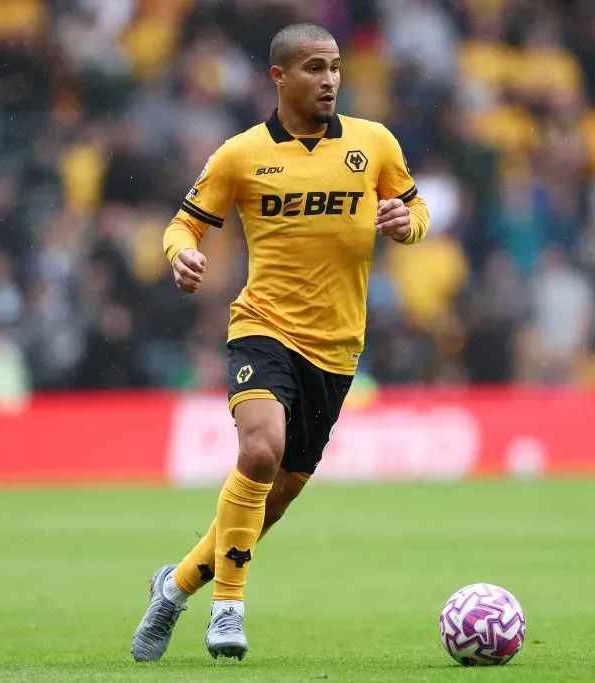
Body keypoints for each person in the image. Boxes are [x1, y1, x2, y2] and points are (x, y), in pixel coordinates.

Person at [131, 23, 429, 663]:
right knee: (260, 452)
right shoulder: (240, 155)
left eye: (336, 68)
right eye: (315, 68)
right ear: (280, 77)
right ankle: (228, 609)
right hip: (263, 329)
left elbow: (416, 210)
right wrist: (181, 255)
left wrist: (408, 224)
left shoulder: (373, 144)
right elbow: (183, 224)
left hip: (338, 349)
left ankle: (175, 584)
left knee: (275, 498)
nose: (329, 80)